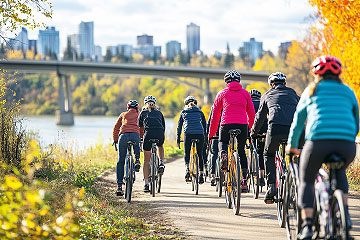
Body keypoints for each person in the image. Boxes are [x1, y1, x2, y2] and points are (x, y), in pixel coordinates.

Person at [286, 55, 359, 240]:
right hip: (346, 145)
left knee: (307, 180)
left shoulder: (311, 91)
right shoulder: (348, 91)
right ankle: (345, 219)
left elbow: (297, 122)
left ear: (316, 74)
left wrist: (292, 146)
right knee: (339, 171)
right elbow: (356, 120)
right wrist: (348, 136)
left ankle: (308, 227)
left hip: (317, 143)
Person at [250, 72, 299, 203]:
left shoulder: (267, 95)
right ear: (284, 83)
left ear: (272, 84)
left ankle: (271, 186)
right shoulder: (293, 93)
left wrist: (254, 132)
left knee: (269, 154)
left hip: (275, 128)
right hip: (294, 129)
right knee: (298, 153)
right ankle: (299, 180)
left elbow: (260, 117)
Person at [208, 70, 255, 192]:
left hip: (226, 124)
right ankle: (244, 181)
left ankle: (223, 154)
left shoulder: (222, 93)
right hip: (242, 125)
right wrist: (251, 131)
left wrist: (211, 134)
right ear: (239, 81)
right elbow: (251, 114)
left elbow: (215, 116)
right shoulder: (246, 94)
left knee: (222, 141)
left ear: (226, 82)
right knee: (241, 151)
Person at [112, 100, 141, 196]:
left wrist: (116, 140)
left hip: (123, 136)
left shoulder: (123, 114)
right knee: (136, 145)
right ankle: (137, 160)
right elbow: (142, 127)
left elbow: (116, 127)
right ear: (137, 108)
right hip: (135, 136)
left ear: (128, 107)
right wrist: (141, 138)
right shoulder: (139, 114)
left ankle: (119, 187)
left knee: (121, 161)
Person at [138, 95, 166, 193]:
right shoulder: (159, 112)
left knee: (146, 161)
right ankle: (161, 162)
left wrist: (141, 139)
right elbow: (163, 126)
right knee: (160, 146)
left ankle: (146, 184)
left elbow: (140, 127)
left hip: (148, 135)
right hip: (159, 134)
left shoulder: (143, 112)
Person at [176, 96, 207, 183]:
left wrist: (178, 139)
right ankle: (201, 173)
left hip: (188, 133)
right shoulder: (200, 112)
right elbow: (205, 126)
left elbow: (179, 127)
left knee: (187, 152)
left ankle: (187, 169)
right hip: (199, 134)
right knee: (200, 154)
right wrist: (206, 138)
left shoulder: (183, 112)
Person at [248, 89, 267, 187]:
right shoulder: (262, 102)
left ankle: (248, 172)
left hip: (251, 127)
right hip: (264, 128)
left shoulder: (248, 102)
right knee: (261, 152)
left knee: (251, 148)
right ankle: (261, 176)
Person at [207, 106, 221, 186]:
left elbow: (210, 121)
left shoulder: (215, 106)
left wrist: (208, 135)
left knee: (214, 153)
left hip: (216, 132)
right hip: (227, 131)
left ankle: (212, 174)